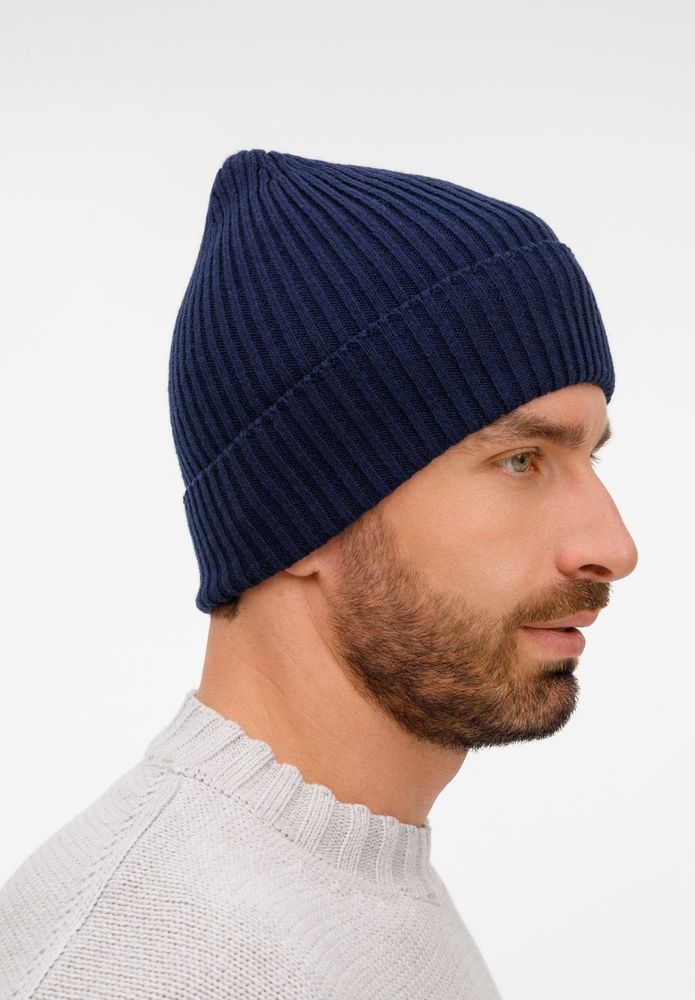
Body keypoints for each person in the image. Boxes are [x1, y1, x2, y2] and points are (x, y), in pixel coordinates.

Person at [0, 149, 638, 1000]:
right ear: (305, 514)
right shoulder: (128, 964)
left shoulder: (361, 891)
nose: (614, 546)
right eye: (522, 460)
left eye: (592, 456)